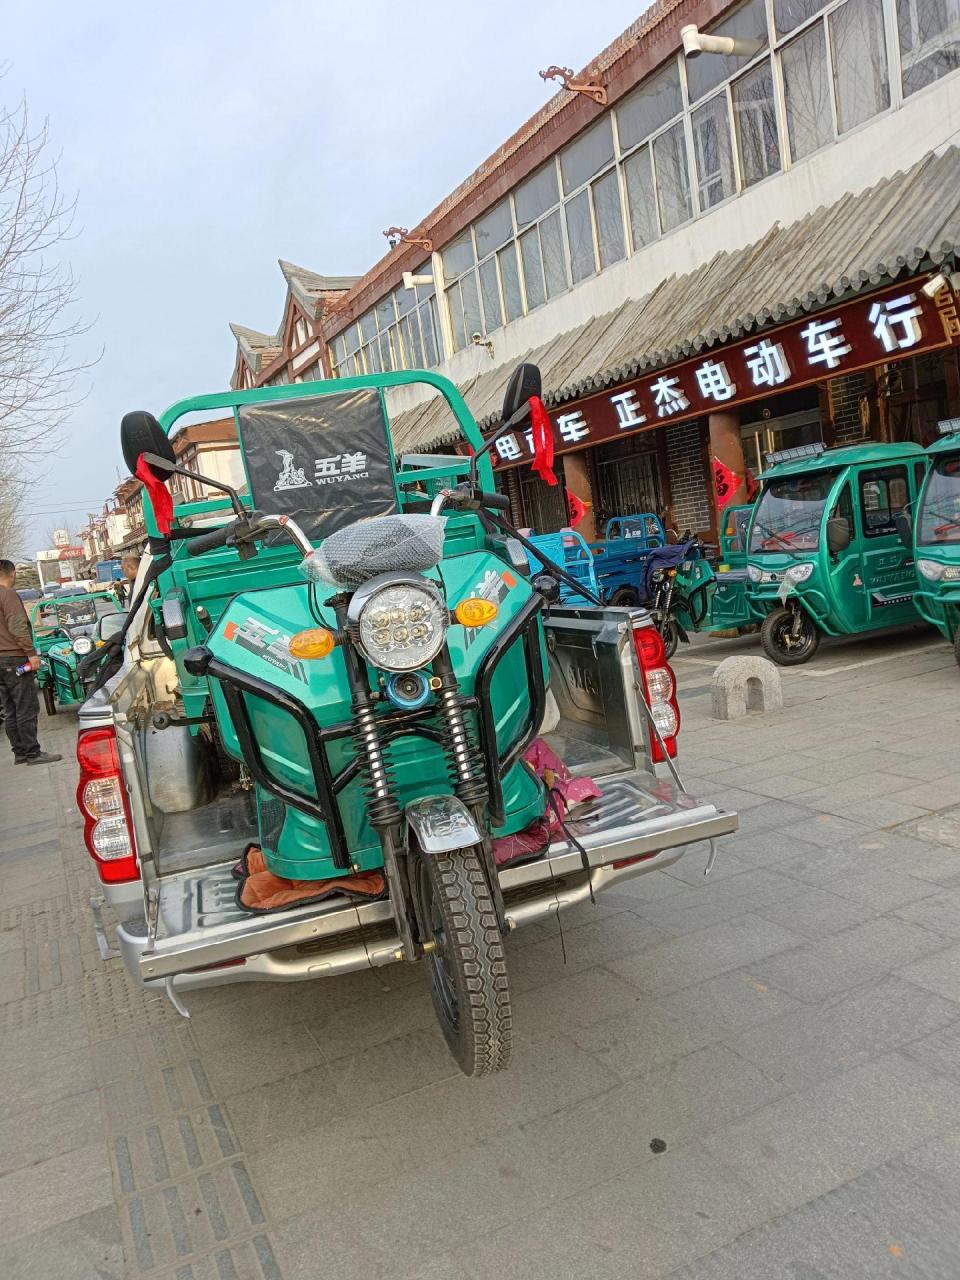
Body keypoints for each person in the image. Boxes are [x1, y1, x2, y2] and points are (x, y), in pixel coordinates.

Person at [0, 559, 62, 765]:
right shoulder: (7, 594)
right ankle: (33, 753)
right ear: (12, 573)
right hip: (14, 658)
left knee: (9, 708)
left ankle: (19, 753)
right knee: (25, 705)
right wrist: (31, 653)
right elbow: (17, 625)